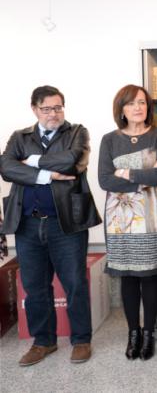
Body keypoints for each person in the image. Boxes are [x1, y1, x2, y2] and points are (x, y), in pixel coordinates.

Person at [0, 85, 101, 366]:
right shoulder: (20, 136)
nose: (54, 114)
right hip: (28, 224)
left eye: (58, 107)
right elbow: (6, 167)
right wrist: (47, 176)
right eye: (47, 109)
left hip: (65, 223)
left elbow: (71, 161)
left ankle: (81, 339)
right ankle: (43, 342)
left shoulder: (77, 132)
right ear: (35, 109)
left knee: (75, 284)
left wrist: (30, 162)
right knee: (35, 287)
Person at [98, 84, 157, 360]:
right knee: (128, 275)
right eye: (131, 103)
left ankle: (149, 333)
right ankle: (133, 332)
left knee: (150, 274)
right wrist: (143, 173)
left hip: (154, 214)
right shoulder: (109, 140)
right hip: (122, 218)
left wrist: (124, 172)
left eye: (142, 102)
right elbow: (104, 180)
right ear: (121, 108)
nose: (138, 108)